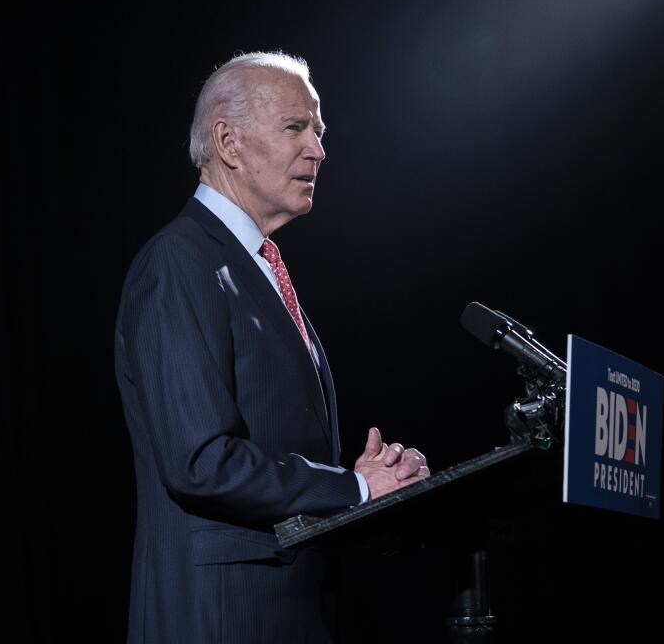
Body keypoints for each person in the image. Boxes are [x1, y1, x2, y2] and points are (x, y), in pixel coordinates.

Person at [113, 51, 430, 643]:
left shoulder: (250, 265)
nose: (318, 148)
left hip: (287, 609)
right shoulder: (180, 262)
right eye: (295, 127)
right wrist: (354, 489)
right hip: (221, 615)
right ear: (229, 143)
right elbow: (201, 462)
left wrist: (357, 478)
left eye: (319, 130)